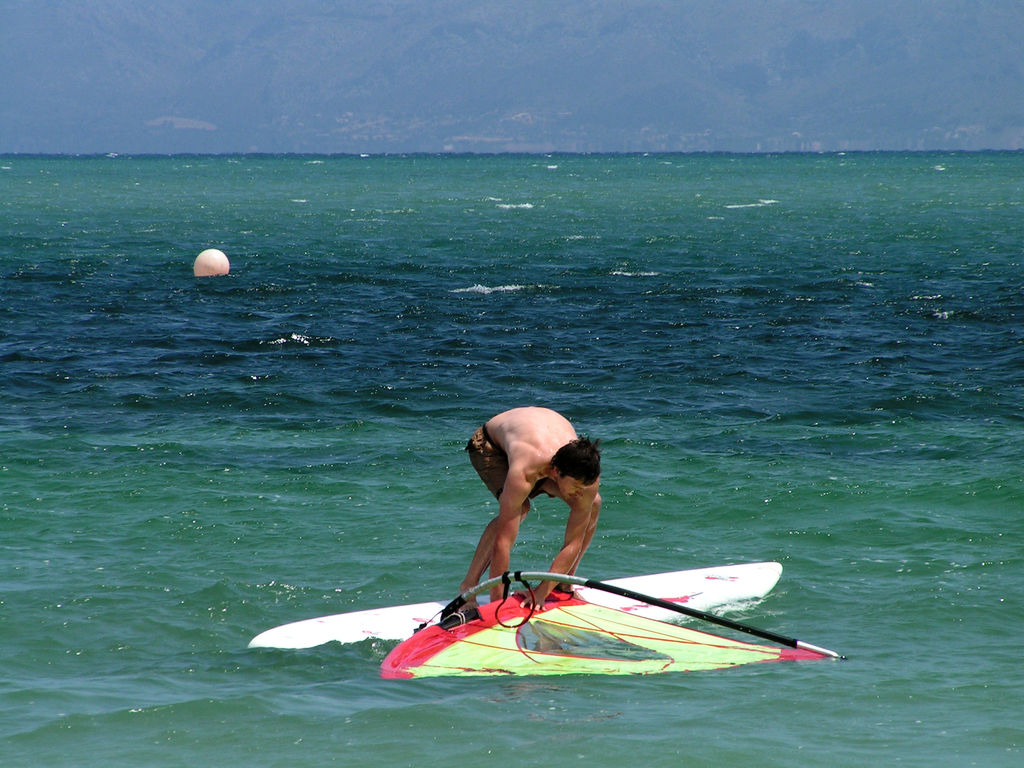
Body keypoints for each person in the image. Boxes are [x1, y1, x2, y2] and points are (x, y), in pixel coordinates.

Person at [459, 406, 602, 608]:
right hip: (491, 447)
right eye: (576, 485)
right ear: (556, 472)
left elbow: (573, 543)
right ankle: (468, 587)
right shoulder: (525, 470)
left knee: (593, 502)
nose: (580, 490)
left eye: (584, 485)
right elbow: (503, 542)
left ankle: (563, 583)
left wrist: (542, 591)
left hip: (541, 439)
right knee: (520, 509)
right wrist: (497, 606)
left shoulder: (586, 476)